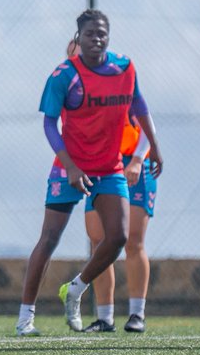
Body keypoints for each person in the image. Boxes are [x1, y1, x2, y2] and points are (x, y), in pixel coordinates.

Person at [14, 10, 162, 336]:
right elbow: (49, 123)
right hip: (69, 167)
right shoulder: (63, 75)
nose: (97, 39)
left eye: (102, 33)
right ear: (78, 38)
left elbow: (140, 106)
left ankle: (77, 288)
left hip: (109, 168)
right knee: (49, 238)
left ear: (108, 36)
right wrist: (69, 166)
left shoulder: (124, 67)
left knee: (120, 237)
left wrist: (153, 147)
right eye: (90, 34)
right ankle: (26, 318)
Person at [68, 36, 159, 333]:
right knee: (99, 243)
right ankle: (104, 317)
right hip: (99, 170)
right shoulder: (74, 94)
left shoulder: (119, 84)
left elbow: (146, 125)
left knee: (133, 241)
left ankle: (136, 314)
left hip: (132, 167)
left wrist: (136, 161)